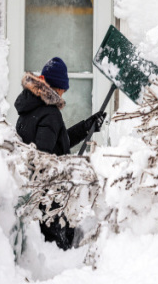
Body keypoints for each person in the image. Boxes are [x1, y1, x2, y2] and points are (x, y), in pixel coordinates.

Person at [14, 57, 105, 250]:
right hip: (49, 198)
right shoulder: (50, 113)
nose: (64, 92)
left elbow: (57, 142)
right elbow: (43, 158)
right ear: (55, 87)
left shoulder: (30, 106)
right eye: (63, 88)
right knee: (60, 248)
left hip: (32, 192)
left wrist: (87, 127)